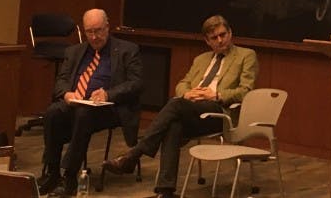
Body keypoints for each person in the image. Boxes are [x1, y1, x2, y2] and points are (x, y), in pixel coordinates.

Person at [103, 15, 258, 197]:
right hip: (192, 109)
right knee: (173, 125)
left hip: (220, 113)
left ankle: (133, 155)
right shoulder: (201, 59)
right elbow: (182, 83)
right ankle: (166, 191)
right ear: (207, 41)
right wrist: (187, 93)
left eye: (223, 35)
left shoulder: (246, 55)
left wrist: (216, 94)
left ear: (230, 33)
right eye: (214, 38)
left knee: (175, 105)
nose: (220, 40)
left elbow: (246, 91)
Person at [38, 8, 143, 196]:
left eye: (98, 30)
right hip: (76, 102)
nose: (94, 37)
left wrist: (109, 94)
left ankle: (69, 177)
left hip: (109, 108)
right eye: (89, 32)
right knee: (53, 112)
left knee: (83, 114)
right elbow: (61, 80)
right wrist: (67, 94)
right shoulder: (74, 51)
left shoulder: (127, 50)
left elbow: (136, 84)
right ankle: (51, 172)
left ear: (107, 27)